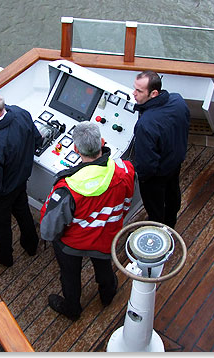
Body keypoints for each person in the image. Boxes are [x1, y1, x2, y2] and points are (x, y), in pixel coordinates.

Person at [40, 122, 135, 321]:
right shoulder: (124, 170)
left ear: (75, 149)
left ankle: (72, 307)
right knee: (104, 267)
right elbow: (127, 201)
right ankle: (107, 295)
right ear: (102, 142)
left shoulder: (66, 188)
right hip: (106, 237)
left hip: (72, 244)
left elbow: (49, 230)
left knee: (70, 275)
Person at [0, 89, 41, 267]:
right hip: (19, 181)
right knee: (22, 211)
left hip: (1, 193)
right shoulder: (21, 114)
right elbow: (37, 139)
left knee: (0, 226)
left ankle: (5, 257)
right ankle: (31, 244)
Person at [132, 70, 190, 228]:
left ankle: (158, 231)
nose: (133, 93)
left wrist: (142, 178)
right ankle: (171, 224)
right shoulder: (178, 100)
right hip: (175, 162)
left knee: (155, 207)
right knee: (172, 196)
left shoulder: (146, 124)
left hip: (155, 176)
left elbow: (146, 164)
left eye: (139, 91)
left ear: (154, 93)